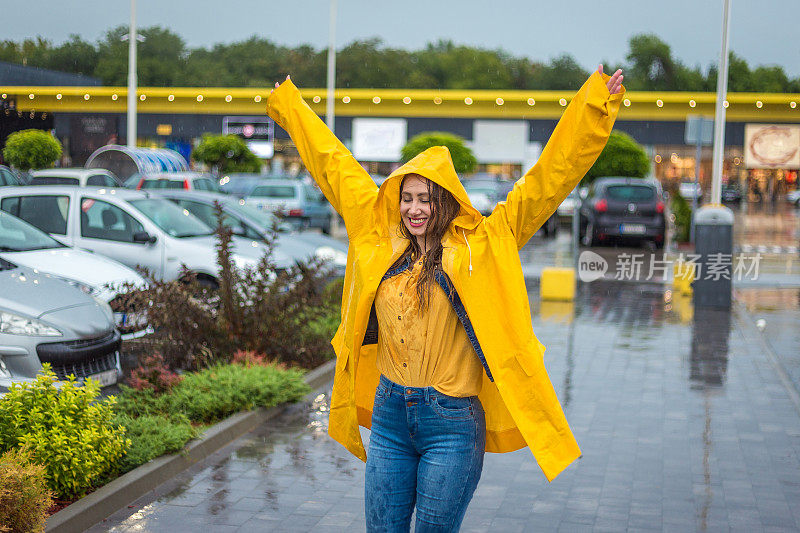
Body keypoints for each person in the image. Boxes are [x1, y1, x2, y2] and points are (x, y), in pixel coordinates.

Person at [267, 66, 624, 532]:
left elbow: (547, 181)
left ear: (449, 202)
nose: (415, 209)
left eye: (427, 199)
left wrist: (594, 106)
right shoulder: (377, 234)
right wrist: (290, 107)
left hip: (452, 422)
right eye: (408, 197)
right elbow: (333, 164)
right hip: (391, 414)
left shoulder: (485, 243)